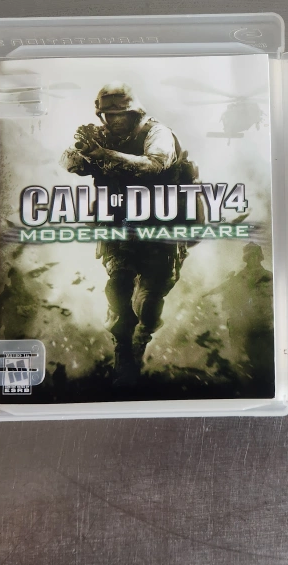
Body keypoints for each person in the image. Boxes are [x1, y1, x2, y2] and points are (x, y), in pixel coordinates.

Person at [61, 83, 196, 384]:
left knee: (149, 301)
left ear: (135, 113)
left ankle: (143, 335)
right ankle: (123, 348)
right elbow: (69, 163)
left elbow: (155, 164)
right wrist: (83, 152)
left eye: (120, 114)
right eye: (108, 115)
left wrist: (104, 153)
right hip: (120, 226)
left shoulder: (157, 133)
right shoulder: (102, 136)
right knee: (118, 285)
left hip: (161, 228)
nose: (115, 120)